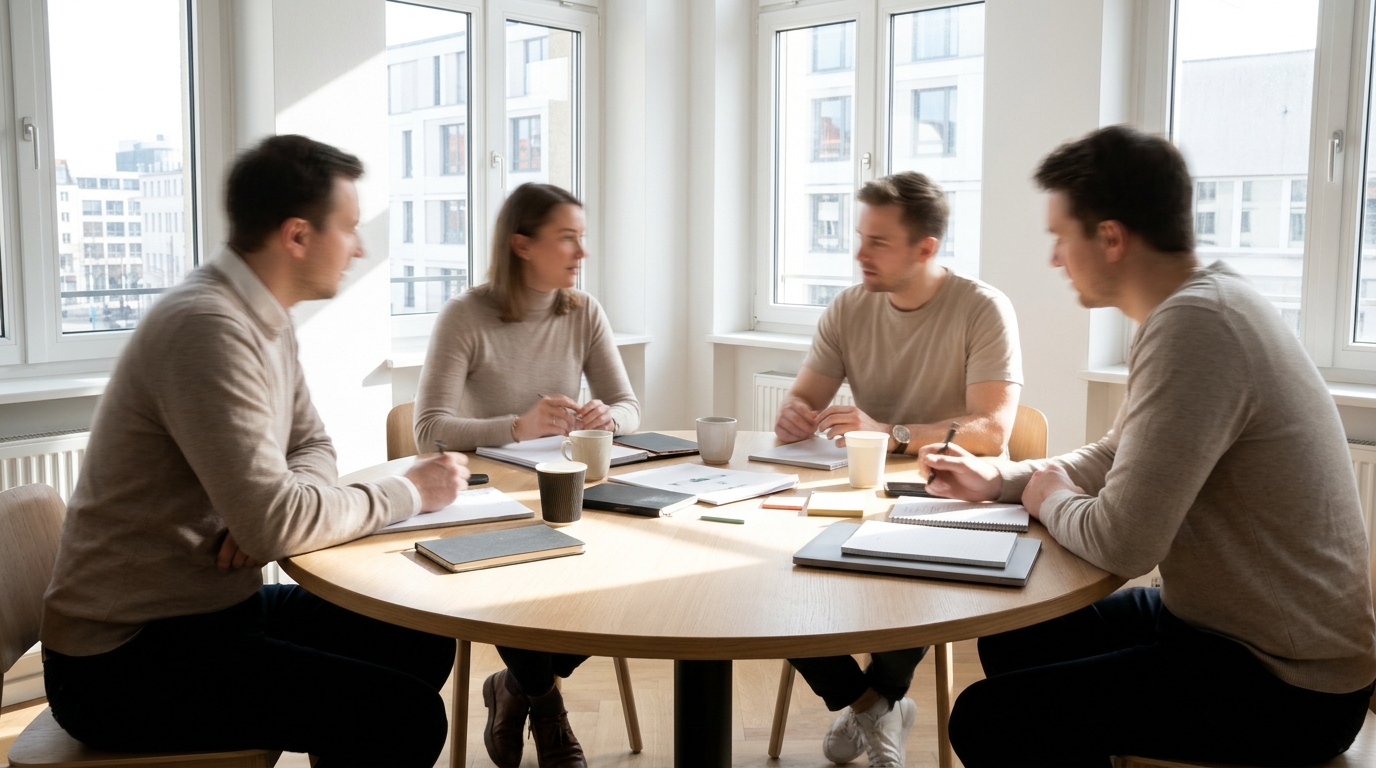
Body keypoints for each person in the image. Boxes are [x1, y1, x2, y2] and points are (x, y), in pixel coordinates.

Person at [925, 125, 1376, 767]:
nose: (1054, 259)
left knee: (987, 720)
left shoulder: (1197, 325)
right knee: (1014, 636)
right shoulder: (1200, 304)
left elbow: (1124, 544)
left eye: (1061, 236)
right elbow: (1118, 452)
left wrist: (1048, 498)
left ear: (1110, 238)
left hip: (1288, 684)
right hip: (1223, 629)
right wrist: (1002, 479)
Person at [40, 135, 470, 768]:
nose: (359, 247)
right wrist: (410, 490)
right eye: (349, 227)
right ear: (297, 235)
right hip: (123, 658)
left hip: (210, 613)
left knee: (420, 634)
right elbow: (274, 522)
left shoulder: (264, 318)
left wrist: (277, 512)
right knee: (404, 716)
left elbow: (311, 445)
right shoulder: (208, 327)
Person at [774, 171, 1023, 768]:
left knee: (915, 568)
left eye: (878, 242)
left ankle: (872, 701)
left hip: (953, 493)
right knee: (773, 581)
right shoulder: (849, 307)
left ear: (925, 248)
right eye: (860, 237)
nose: (860, 253)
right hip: (864, 489)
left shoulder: (982, 308)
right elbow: (804, 396)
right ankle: (874, 706)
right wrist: (794, 414)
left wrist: (893, 434)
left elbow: (992, 429)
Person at [414, 182, 640, 768]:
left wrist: (609, 416)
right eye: (567, 238)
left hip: (564, 490)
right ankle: (546, 706)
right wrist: (516, 426)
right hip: (486, 502)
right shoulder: (465, 315)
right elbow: (428, 429)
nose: (581, 252)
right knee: (510, 579)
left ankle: (513, 685)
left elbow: (629, 405)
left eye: (581, 238)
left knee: (628, 579)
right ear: (521, 244)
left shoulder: (583, 311)